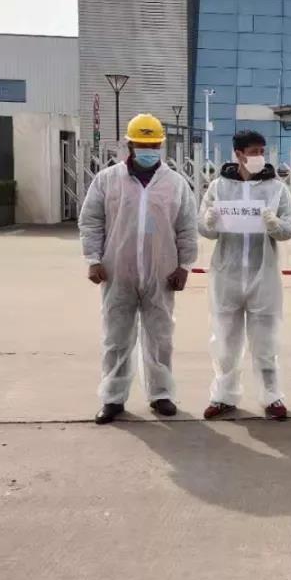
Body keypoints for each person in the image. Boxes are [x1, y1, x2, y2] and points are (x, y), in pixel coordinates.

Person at [79, 114, 198, 424]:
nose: (149, 150)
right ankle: (113, 397)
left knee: (160, 337)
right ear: (129, 145)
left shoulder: (175, 183)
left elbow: (187, 226)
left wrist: (185, 265)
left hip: (162, 272)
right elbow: (91, 220)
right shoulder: (107, 180)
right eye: (143, 144)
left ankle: (161, 394)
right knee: (116, 337)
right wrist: (93, 259)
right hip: (117, 270)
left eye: (154, 145)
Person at [198, 130, 291, 421]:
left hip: (262, 274)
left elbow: (290, 227)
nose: (259, 157)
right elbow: (204, 227)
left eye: (262, 151)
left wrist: (275, 225)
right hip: (227, 275)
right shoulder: (219, 187)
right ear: (238, 154)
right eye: (253, 152)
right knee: (225, 342)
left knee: (265, 343)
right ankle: (223, 396)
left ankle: (272, 396)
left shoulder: (276, 189)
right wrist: (209, 221)